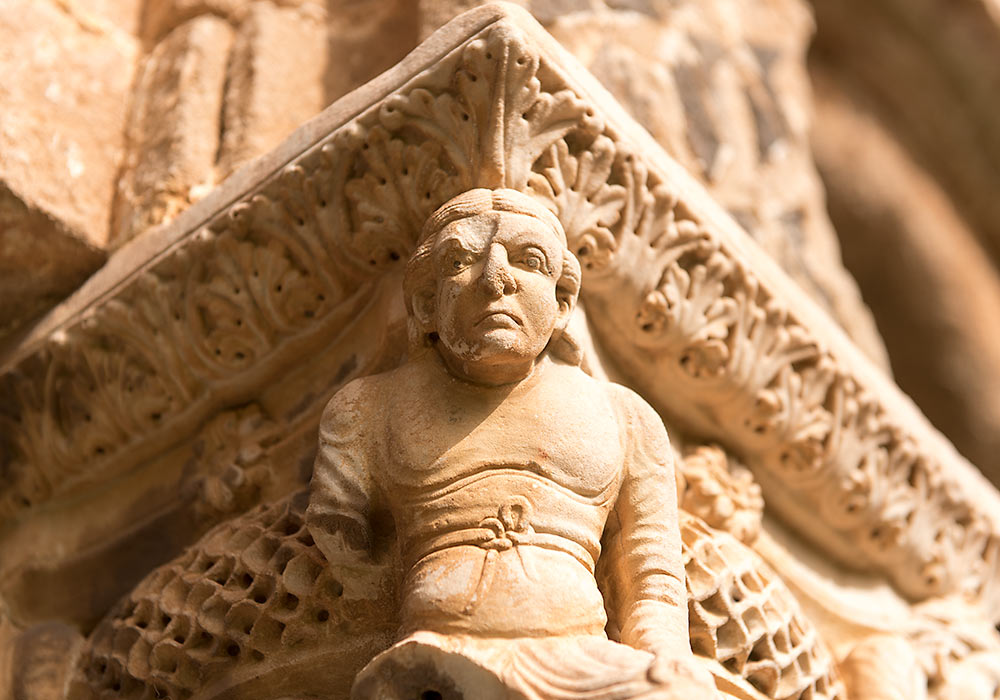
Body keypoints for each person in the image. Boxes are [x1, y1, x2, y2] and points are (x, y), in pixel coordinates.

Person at [306, 188, 718, 699]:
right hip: (430, 663)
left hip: (586, 661)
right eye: (460, 261)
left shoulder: (624, 417)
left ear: (563, 302)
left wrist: (670, 661)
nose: (495, 279)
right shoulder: (367, 409)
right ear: (425, 304)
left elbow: (651, 573)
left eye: (528, 259)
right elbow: (345, 555)